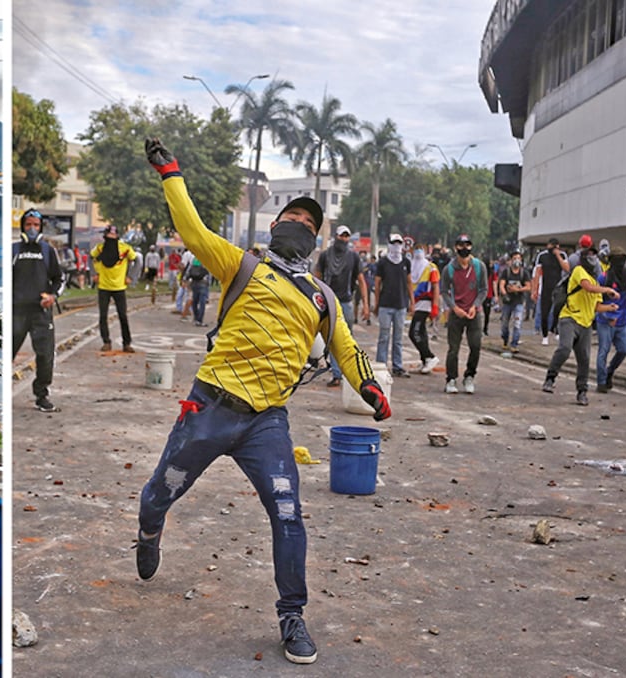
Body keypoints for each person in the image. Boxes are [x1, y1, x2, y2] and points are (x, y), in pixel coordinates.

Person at [138, 138, 390, 666]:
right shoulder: (241, 265)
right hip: (208, 408)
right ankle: (150, 528)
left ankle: (292, 615)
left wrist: (369, 387)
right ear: (275, 225)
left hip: (266, 423)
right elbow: (192, 230)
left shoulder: (322, 297)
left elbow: (345, 348)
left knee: (288, 513)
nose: (299, 224)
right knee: (160, 491)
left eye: (308, 222)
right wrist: (171, 173)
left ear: (315, 239)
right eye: (292, 216)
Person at [542, 246, 620, 404]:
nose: (592, 258)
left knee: (584, 359)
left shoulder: (596, 282)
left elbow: (596, 306)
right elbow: (587, 287)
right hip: (570, 318)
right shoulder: (578, 271)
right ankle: (550, 377)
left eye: (594, 255)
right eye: (589, 255)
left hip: (586, 323)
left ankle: (582, 391)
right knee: (564, 348)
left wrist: (609, 308)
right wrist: (607, 290)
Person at [12, 209, 64, 412]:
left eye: (36, 225)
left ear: (41, 227)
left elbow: (59, 279)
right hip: (16, 312)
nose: (32, 229)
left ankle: (41, 395)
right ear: (22, 227)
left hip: (41, 313)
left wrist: (52, 296)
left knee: (45, 355)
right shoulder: (13, 250)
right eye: (28, 225)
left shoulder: (48, 251)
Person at [314, 225, 369, 386]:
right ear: (336, 237)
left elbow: (361, 280)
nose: (343, 239)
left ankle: (348, 373)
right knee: (332, 338)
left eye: (346, 236)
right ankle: (337, 374)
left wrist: (365, 304)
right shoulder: (325, 256)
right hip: (329, 301)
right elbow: (317, 278)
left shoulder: (353, 257)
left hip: (346, 301)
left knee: (347, 339)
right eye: (341, 236)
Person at [594, 246, 626, 393]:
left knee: (624, 349)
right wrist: (607, 314)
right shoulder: (603, 278)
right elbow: (597, 301)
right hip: (605, 320)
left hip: (623, 320)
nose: (620, 263)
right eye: (617, 260)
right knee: (603, 351)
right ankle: (601, 382)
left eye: (622, 260)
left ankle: (610, 371)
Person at [441, 234, 488, 394]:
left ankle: (469, 376)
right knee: (453, 348)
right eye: (461, 245)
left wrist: (475, 306)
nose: (464, 248)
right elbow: (444, 291)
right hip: (457, 313)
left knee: (475, 346)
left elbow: (483, 290)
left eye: (467, 245)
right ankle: (451, 379)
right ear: (456, 248)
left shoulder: (479, 267)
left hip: (474, 313)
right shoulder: (449, 269)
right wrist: (454, 308)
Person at [91, 225, 139, 352]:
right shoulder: (100, 248)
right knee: (103, 316)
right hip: (103, 286)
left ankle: (126, 343)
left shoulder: (125, 248)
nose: (111, 237)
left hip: (119, 287)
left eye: (114, 234)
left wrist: (131, 276)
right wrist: (93, 274)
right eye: (109, 234)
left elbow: (137, 260)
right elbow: (91, 257)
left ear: (117, 236)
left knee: (123, 315)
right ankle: (106, 341)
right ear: (105, 236)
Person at [373, 232, 413, 377]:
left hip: (401, 305)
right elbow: (377, 284)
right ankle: (381, 365)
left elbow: (409, 283)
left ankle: (397, 366)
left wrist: (412, 302)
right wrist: (376, 304)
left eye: (399, 243)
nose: (396, 246)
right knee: (384, 337)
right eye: (394, 243)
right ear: (389, 244)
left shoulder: (406, 262)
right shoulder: (383, 263)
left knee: (398, 338)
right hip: (385, 304)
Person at [532, 237, 571, 345]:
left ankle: (556, 330)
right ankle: (545, 335)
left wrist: (558, 255)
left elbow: (567, 268)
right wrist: (534, 290)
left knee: (558, 311)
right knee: (544, 313)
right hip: (546, 287)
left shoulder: (562, 255)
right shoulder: (542, 256)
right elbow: (537, 273)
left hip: (559, 287)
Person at [408, 245, 441, 373]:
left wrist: (435, 306)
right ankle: (425, 360)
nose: (418, 251)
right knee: (422, 333)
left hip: (425, 304)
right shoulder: (411, 266)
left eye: (420, 249)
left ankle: (430, 356)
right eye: (416, 249)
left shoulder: (431, 267)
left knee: (414, 333)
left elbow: (436, 287)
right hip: (415, 303)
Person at [497, 251, 532, 350]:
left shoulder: (524, 273)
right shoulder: (506, 272)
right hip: (507, 302)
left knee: (517, 323)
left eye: (518, 258)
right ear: (511, 260)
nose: (516, 260)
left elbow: (528, 287)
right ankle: (505, 339)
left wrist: (518, 289)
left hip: (518, 302)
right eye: (514, 258)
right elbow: (501, 285)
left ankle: (514, 344)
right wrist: (505, 294)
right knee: (504, 323)